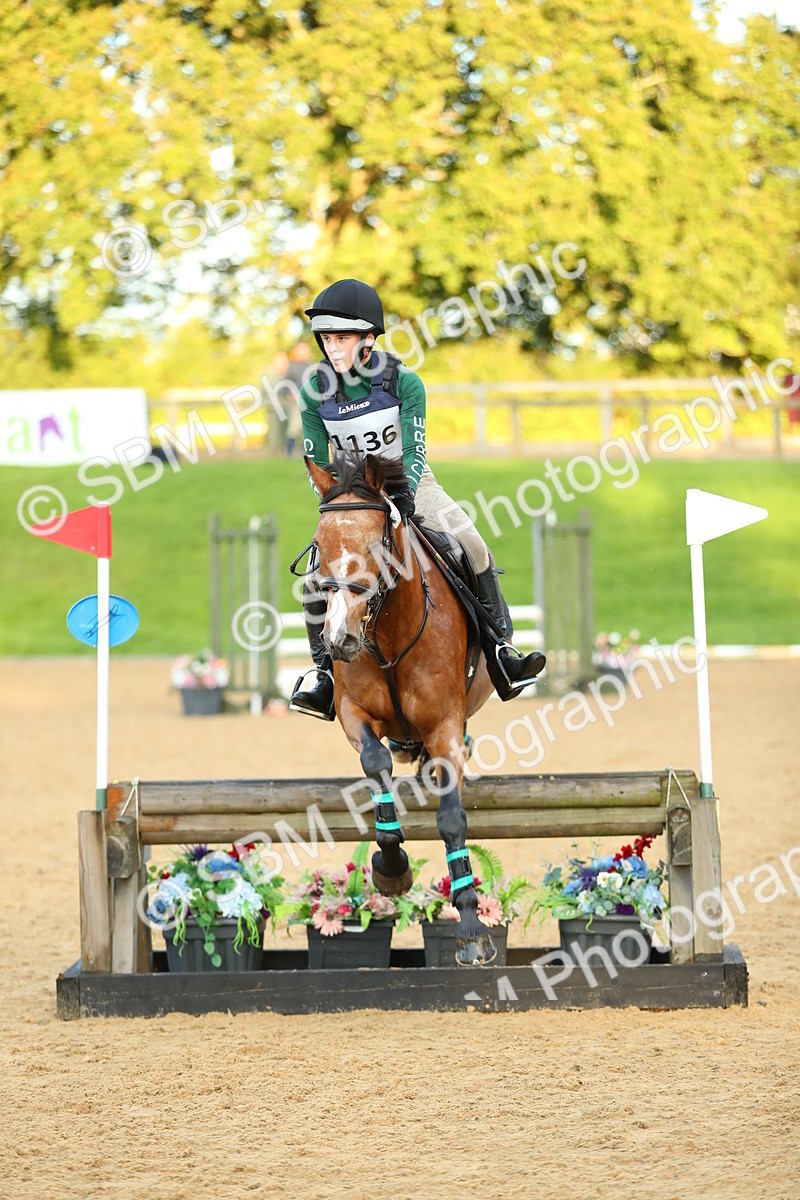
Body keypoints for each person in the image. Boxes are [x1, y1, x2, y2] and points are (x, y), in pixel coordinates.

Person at [289, 278, 546, 720]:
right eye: (328, 338)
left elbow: (414, 449)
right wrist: (344, 503)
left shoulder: (403, 382)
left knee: (473, 545)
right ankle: (323, 675)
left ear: (369, 339)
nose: (333, 347)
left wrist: (400, 498)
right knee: (316, 574)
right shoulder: (315, 391)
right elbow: (317, 466)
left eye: (343, 337)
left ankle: (502, 651)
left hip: (413, 483)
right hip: (351, 497)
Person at [282, 342, 311, 456]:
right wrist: (288, 393)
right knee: (294, 427)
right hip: (295, 401)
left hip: (309, 401)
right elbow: (285, 383)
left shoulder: (310, 366)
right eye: (301, 350)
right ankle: (289, 453)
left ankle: (306, 452)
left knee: (307, 427)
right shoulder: (292, 366)